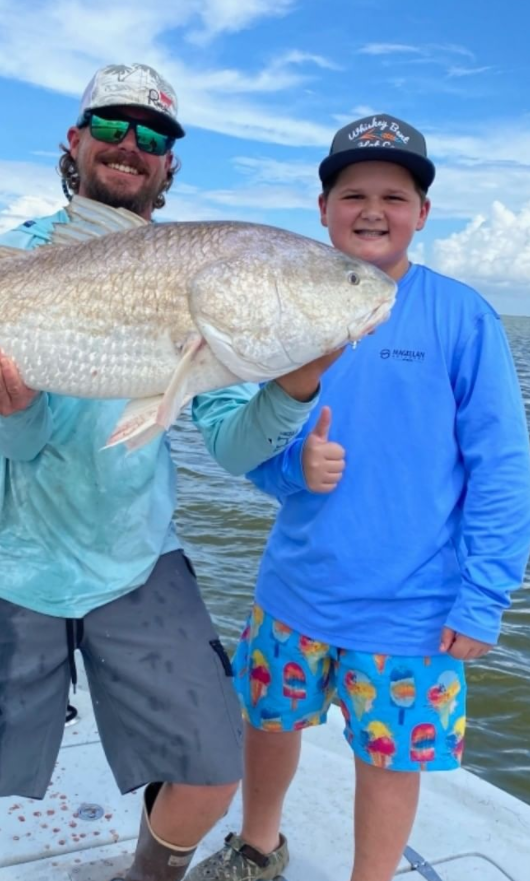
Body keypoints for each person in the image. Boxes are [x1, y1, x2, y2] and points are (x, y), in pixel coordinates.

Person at [0, 62, 338, 881]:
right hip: (9, 559)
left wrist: (294, 385)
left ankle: (146, 877)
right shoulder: (15, 260)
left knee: (214, 771)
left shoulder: (205, 284)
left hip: (137, 555)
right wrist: (12, 406)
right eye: (111, 126)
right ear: (75, 142)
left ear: (170, 164)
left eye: (154, 135)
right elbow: (23, 447)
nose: (130, 145)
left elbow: (237, 447)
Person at [187, 114, 530, 881]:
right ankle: (258, 845)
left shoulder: (462, 315)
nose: (372, 209)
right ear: (321, 208)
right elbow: (254, 446)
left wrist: (483, 598)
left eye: (393, 195)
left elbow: (504, 468)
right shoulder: (276, 307)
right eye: (352, 193)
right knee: (268, 720)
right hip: (296, 587)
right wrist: (291, 471)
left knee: (388, 761)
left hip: (415, 607)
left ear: (423, 213)